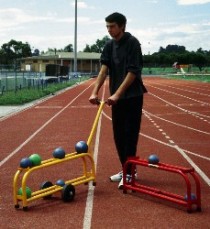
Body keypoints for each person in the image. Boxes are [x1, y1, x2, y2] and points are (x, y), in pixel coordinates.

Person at [89, 12, 147, 189]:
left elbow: (132, 73)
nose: (109, 29)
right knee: (118, 136)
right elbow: (103, 70)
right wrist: (94, 92)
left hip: (132, 97)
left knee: (130, 136)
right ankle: (126, 169)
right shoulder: (108, 45)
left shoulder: (132, 43)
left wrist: (117, 94)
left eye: (112, 26)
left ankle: (130, 173)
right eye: (107, 26)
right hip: (117, 99)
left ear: (122, 26)